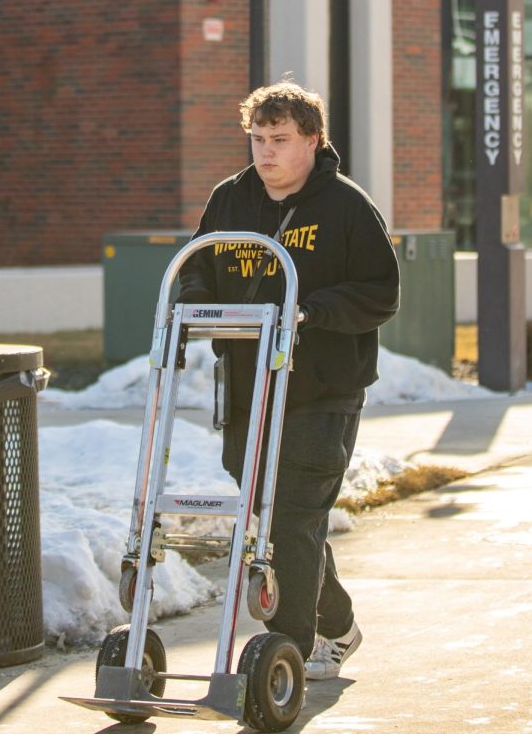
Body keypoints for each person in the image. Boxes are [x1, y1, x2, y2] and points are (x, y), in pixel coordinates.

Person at [177, 79, 399, 680]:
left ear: (312, 140)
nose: (266, 152)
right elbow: (198, 266)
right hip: (249, 389)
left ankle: (288, 653)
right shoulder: (231, 200)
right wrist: (192, 306)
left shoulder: (346, 206)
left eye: (279, 139)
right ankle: (339, 626)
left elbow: (383, 292)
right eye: (257, 139)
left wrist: (314, 311)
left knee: (295, 512)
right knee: (276, 518)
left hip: (322, 389)